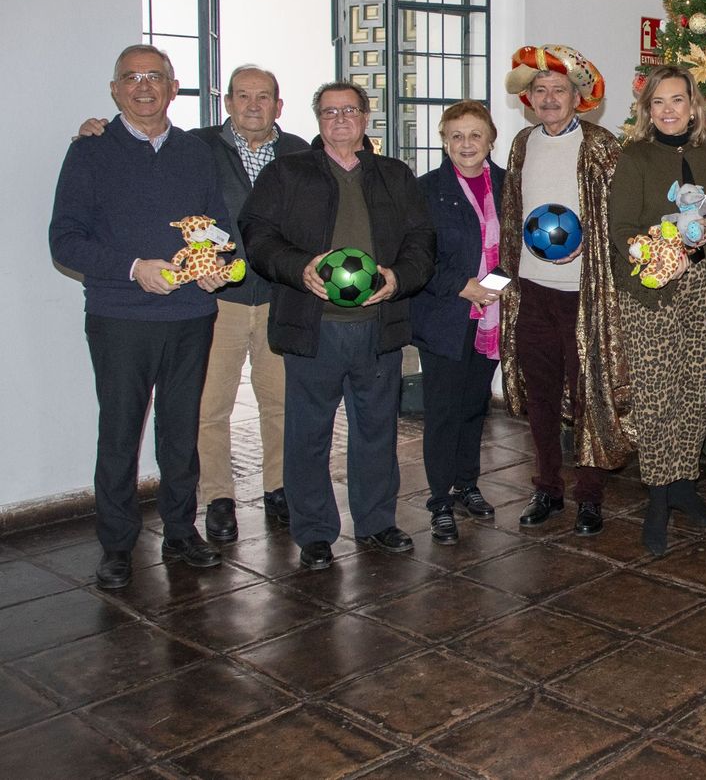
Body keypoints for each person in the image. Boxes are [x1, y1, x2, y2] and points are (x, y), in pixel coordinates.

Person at [75, 64, 311, 542]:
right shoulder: (199, 145)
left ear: (278, 106)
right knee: (208, 407)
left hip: (280, 297)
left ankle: (279, 488)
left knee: (281, 402)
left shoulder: (300, 153)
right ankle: (218, 497)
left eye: (262, 96)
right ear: (226, 102)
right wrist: (94, 127)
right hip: (216, 300)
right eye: (241, 95)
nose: (251, 105)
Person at [50, 44, 232, 588]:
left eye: (155, 76)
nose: (144, 86)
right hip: (120, 317)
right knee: (120, 432)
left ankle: (180, 531)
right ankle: (117, 544)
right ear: (114, 90)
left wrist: (219, 263)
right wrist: (133, 269)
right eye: (131, 77)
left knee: (181, 432)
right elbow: (65, 241)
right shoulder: (89, 152)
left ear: (174, 87)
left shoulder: (197, 153)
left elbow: (217, 227)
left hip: (191, 314)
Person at [238, 81, 434, 571]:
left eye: (350, 110)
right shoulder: (288, 173)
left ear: (367, 118)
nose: (340, 119)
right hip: (314, 328)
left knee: (376, 430)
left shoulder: (394, 174)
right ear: (317, 119)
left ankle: (376, 522)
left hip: (378, 327)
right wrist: (298, 266)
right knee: (308, 433)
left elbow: (421, 238)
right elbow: (257, 235)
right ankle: (315, 532)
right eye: (329, 112)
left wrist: (398, 277)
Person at [498, 46, 630, 536]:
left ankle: (590, 496)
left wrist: (588, 250)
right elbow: (513, 214)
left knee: (588, 393)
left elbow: (618, 219)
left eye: (559, 90)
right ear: (528, 99)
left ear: (578, 97)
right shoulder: (522, 143)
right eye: (540, 91)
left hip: (584, 297)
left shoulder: (600, 145)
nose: (549, 99)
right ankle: (547, 487)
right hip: (533, 292)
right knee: (543, 397)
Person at [607, 66, 706, 555]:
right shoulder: (634, 157)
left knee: (698, 385)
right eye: (658, 102)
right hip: (652, 289)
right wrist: (654, 253)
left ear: (694, 105)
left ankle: (684, 482)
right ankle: (659, 494)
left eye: (677, 101)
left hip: (705, 285)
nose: (668, 110)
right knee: (656, 393)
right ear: (647, 109)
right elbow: (620, 228)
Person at [411, 100, 506, 545]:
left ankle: (467, 484)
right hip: (446, 315)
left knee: (474, 407)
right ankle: (438, 501)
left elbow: (520, 243)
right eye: (457, 136)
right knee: (444, 412)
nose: (467, 144)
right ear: (444, 140)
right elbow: (415, 257)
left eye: (475, 135)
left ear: (491, 139)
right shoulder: (426, 190)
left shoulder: (509, 185)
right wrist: (461, 285)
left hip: (491, 316)